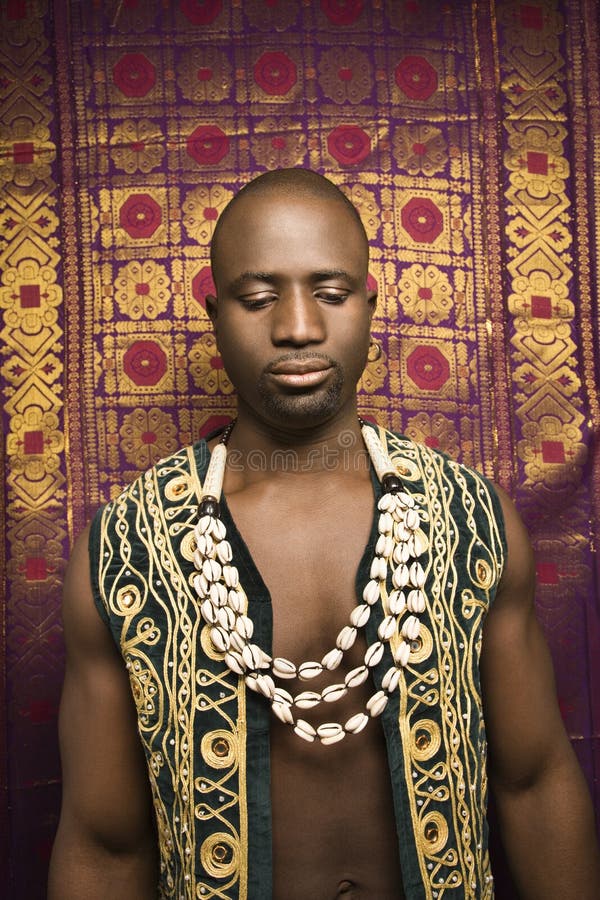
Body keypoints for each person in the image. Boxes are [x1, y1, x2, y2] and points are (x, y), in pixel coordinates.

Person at [48, 168, 600, 900]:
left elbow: (534, 784)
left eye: (331, 294)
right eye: (258, 298)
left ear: (369, 305)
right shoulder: (129, 549)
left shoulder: (469, 521)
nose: (299, 327)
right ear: (214, 314)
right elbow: (104, 843)